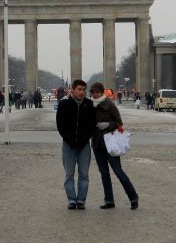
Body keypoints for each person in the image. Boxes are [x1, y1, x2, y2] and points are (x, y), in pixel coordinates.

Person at [90, 82, 139, 210]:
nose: (94, 94)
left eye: (96, 92)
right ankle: (109, 200)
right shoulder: (90, 106)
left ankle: (133, 197)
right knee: (104, 173)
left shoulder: (110, 105)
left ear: (102, 92)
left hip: (110, 144)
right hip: (97, 144)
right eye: (93, 92)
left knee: (118, 171)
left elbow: (119, 123)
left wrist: (108, 125)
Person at [56, 79, 96, 210]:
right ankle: (71, 199)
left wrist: (83, 140)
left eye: (84, 90)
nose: (82, 92)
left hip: (84, 145)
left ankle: (81, 200)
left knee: (84, 174)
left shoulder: (89, 104)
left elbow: (91, 126)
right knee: (69, 174)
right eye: (79, 89)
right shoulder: (64, 104)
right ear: (72, 89)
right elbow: (60, 126)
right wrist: (71, 140)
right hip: (69, 144)